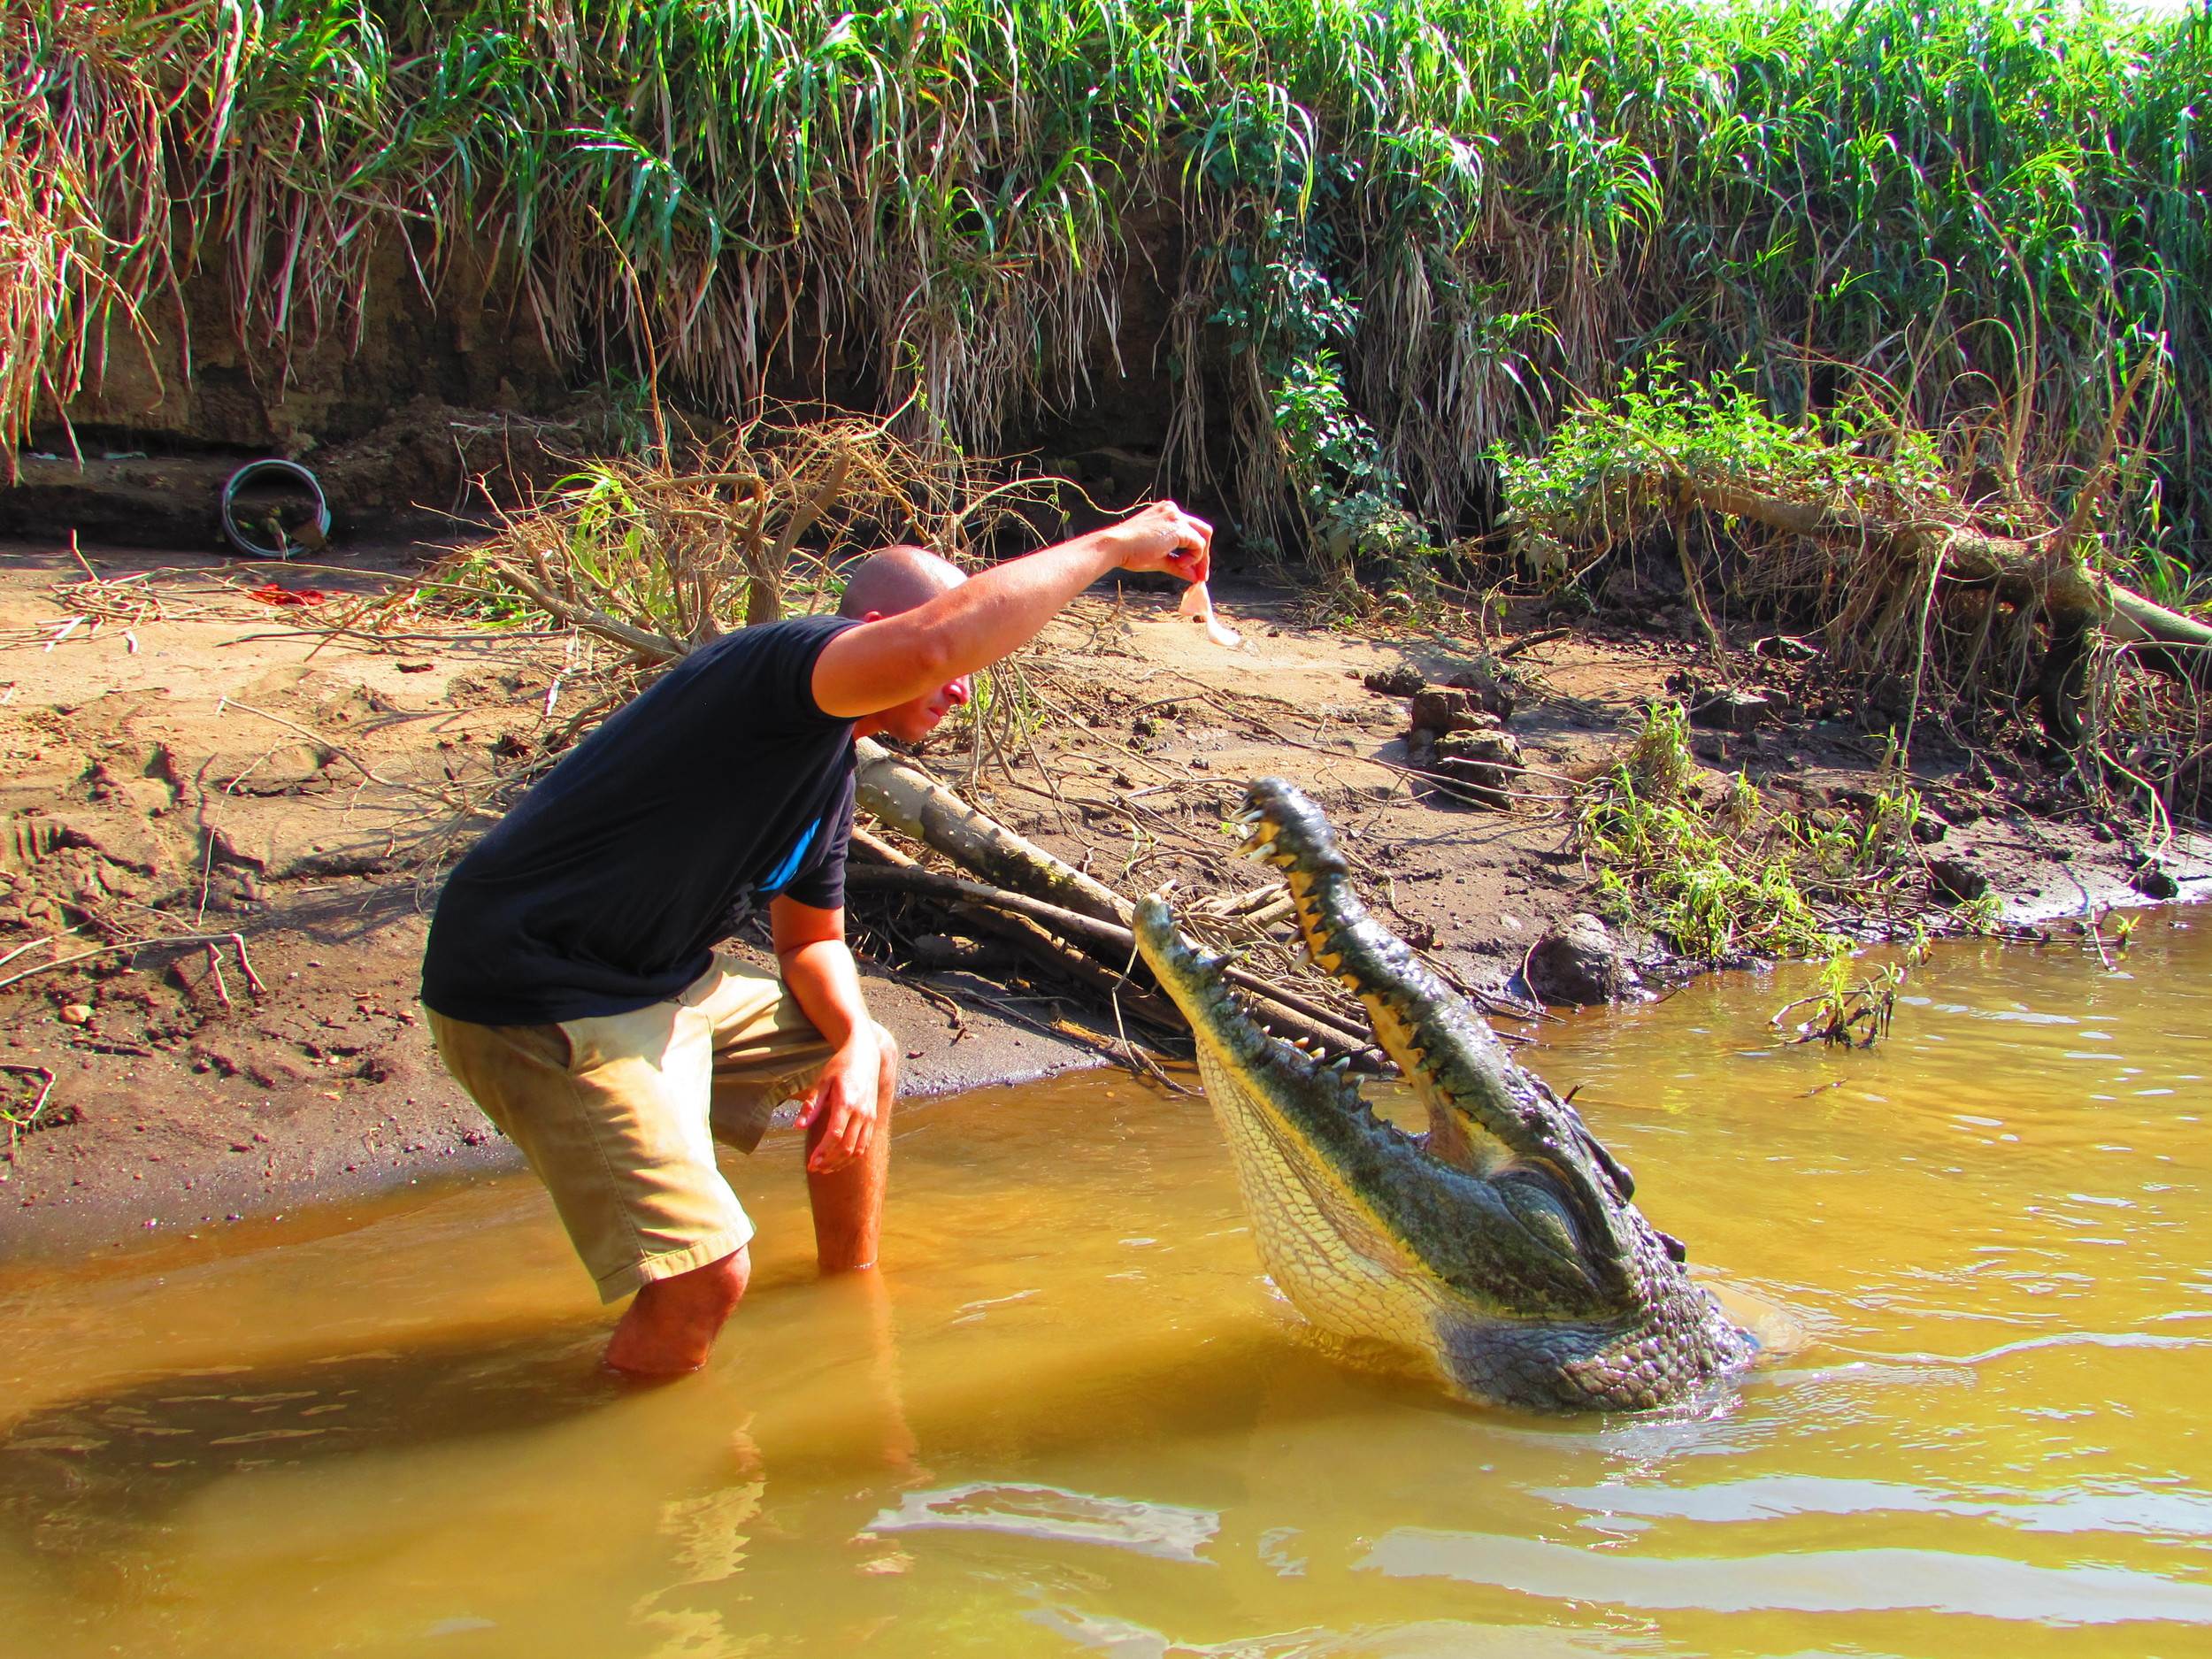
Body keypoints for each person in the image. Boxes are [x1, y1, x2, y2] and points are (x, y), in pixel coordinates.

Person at [419, 501, 1212, 1378]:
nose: (961, 689)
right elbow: (935, 648)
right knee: (707, 1280)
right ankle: (627, 1480)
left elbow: (810, 944)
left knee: (867, 1048)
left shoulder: (832, 764)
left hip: (660, 983)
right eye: (954, 665)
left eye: (966, 674)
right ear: (871, 632)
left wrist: (842, 1043)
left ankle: (852, 1301)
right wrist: (1111, 545)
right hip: (537, 990)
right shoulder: (774, 668)